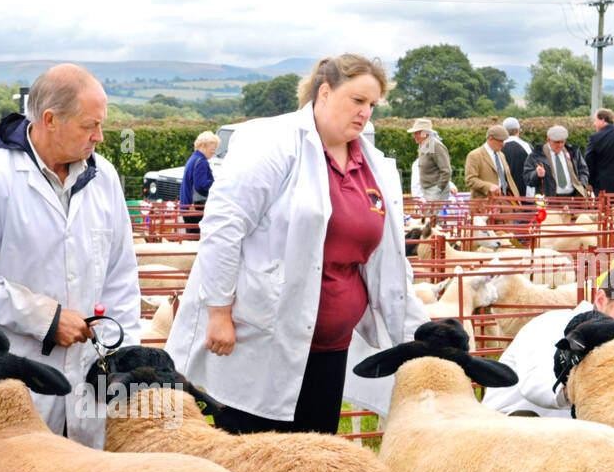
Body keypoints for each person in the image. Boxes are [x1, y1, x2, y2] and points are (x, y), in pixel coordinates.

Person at [165, 54, 428, 434]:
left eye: (372, 105)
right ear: (324, 92)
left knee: (315, 463)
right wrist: (218, 311)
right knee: (255, 458)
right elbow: (223, 227)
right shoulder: (272, 142)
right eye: (357, 100)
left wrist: (417, 332)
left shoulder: (372, 165)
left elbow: (387, 258)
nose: (365, 113)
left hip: (331, 348)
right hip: (261, 339)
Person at [0, 62, 140, 449]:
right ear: (50, 120)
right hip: (14, 378)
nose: (100, 137)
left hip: (89, 376)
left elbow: (121, 276)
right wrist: (47, 319)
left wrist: (122, 359)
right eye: (90, 126)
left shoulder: (103, 178)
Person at [481, 263, 614, 417]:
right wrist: (586, 388)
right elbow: (536, 385)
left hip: (567, 440)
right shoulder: (551, 325)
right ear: (600, 300)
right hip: (509, 425)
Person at [524, 126, 590, 200]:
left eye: (562, 142)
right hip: (549, 200)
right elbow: (527, 178)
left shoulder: (573, 152)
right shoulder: (536, 155)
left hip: (573, 198)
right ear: (548, 140)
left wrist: (582, 184)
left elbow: (583, 170)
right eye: (557, 142)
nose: (560, 145)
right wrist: (536, 174)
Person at [463, 125, 519, 201]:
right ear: (490, 138)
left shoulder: (501, 155)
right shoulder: (474, 155)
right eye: (500, 141)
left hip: (505, 201)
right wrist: (488, 187)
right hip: (484, 204)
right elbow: (470, 179)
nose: (503, 144)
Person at [180, 130, 218, 234]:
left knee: (191, 238)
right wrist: (217, 184)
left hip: (187, 206)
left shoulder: (193, 159)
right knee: (197, 239)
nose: (213, 151)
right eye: (212, 148)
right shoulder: (201, 162)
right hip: (196, 208)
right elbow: (201, 185)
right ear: (203, 146)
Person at [407, 118, 451, 202]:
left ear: (426, 133)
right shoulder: (423, 145)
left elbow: (446, 171)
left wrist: (438, 190)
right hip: (427, 192)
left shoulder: (435, 145)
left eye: (417, 133)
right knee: (426, 215)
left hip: (435, 193)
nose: (414, 136)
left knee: (431, 215)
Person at [501, 117, 532, 197]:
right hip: (525, 194)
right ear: (518, 130)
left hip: (504, 194)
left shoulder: (498, 147)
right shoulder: (527, 147)